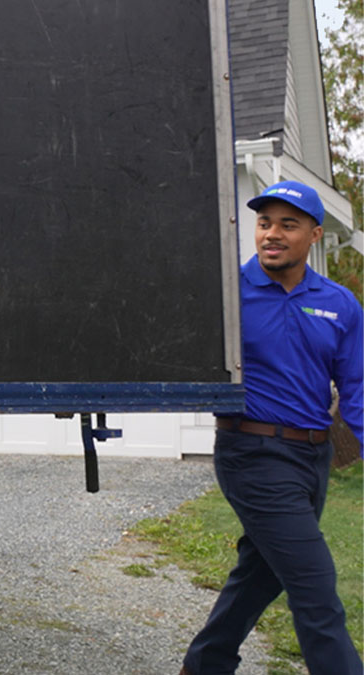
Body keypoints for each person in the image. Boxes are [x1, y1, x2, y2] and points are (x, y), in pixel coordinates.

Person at [180, 180, 363, 674]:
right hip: (251, 453)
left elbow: (357, 386)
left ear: (315, 234)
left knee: (262, 573)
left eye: (288, 224)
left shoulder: (340, 304)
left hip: (313, 458)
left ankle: (204, 665)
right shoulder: (227, 294)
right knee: (315, 586)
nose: (272, 234)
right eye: (264, 223)